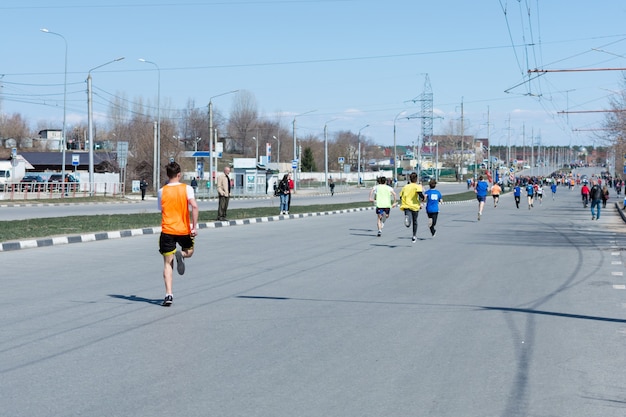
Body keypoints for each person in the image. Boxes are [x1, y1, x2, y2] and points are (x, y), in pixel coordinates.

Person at [158, 161, 199, 307]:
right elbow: (194, 206)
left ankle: (168, 294)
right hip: (183, 229)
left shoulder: (161, 191)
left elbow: (161, 210)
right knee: (189, 251)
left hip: (167, 230)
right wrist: (194, 227)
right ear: (179, 174)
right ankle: (182, 255)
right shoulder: (187, 189)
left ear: (167, 175)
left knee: (167, 264)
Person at [399, 172, 423, 243]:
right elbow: (419, 193)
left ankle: (407, 218)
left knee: (408, 218)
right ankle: (414, 236)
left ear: (410, 179)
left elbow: (401, 196)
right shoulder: (417, 186)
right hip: (415, 206)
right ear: (416, 179)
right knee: (415, 221)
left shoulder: (405, 187)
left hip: (406, 205)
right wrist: (423, 198)